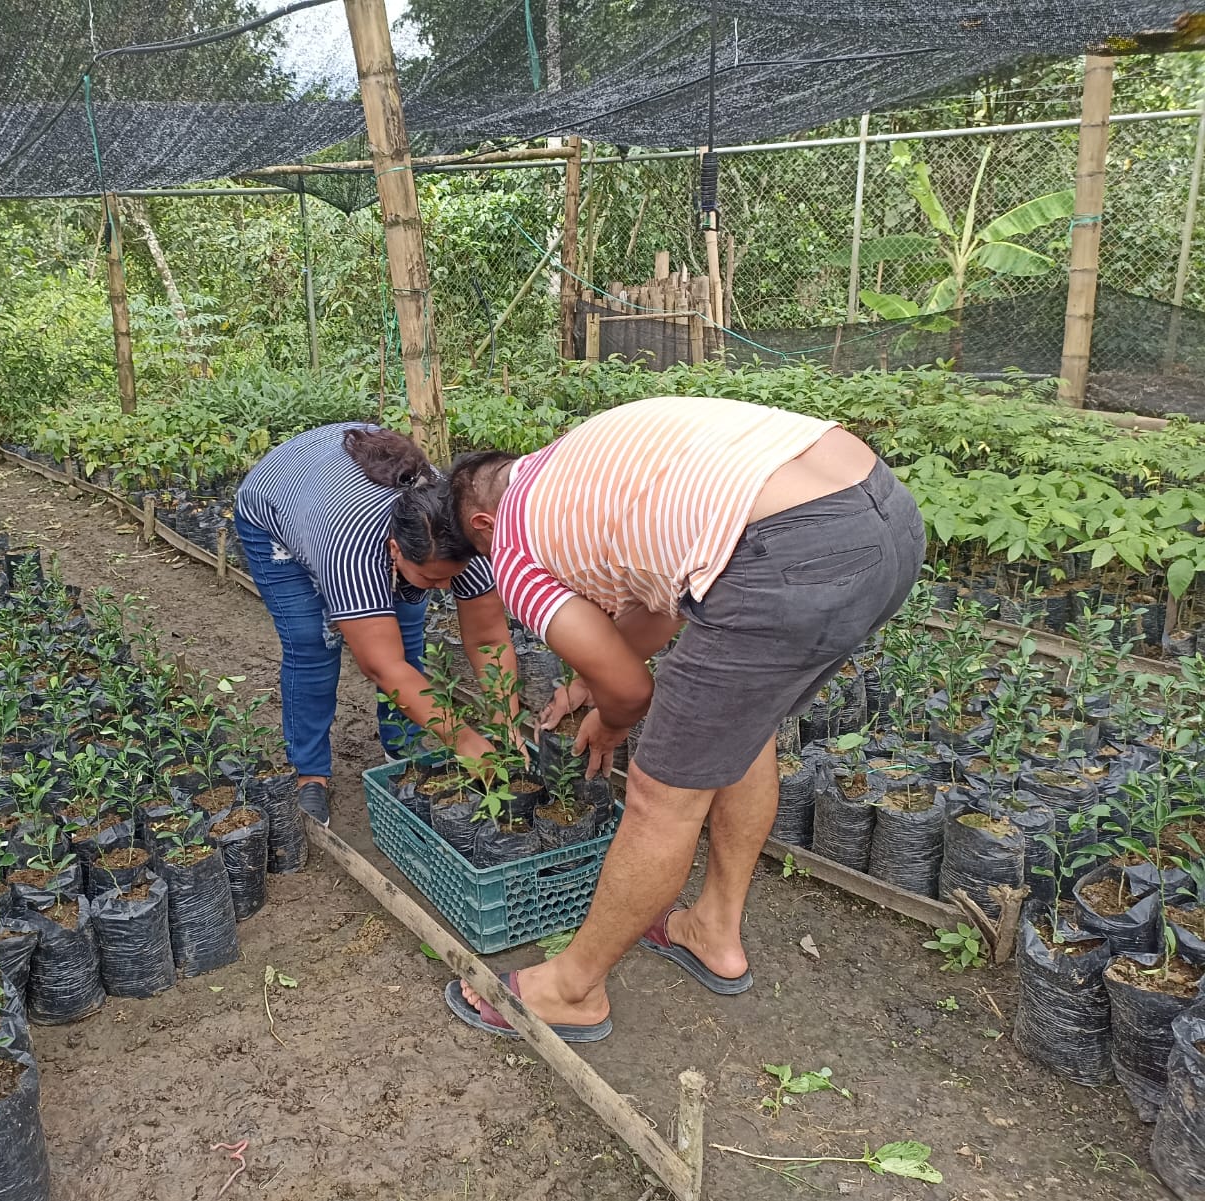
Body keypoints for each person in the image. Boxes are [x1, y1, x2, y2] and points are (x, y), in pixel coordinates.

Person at [443, 395, 925, 1042]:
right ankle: (712, 930)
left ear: (483, 523)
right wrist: (585, 685)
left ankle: (572, 988)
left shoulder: (512, 545)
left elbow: (631, 690)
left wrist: (611, 717)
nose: (490, 564)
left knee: (659, 797)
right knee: (745, 727)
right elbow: (662, 603)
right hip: (886, 513)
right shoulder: (579, 462)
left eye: (478, 551)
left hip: (793, 552)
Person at [234, 423, 521, 827]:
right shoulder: (350, 545)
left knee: (406, 632)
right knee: (313, 642)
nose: (444, 588)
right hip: (278, 502)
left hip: (339, 485)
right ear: (395, 550)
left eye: (450, 578)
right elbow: (381, 666)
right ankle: (309, 773)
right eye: (432, 579)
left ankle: (402, 748)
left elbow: (489, 639)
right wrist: (465, 740)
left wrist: (506, 723)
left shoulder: (459, 538)